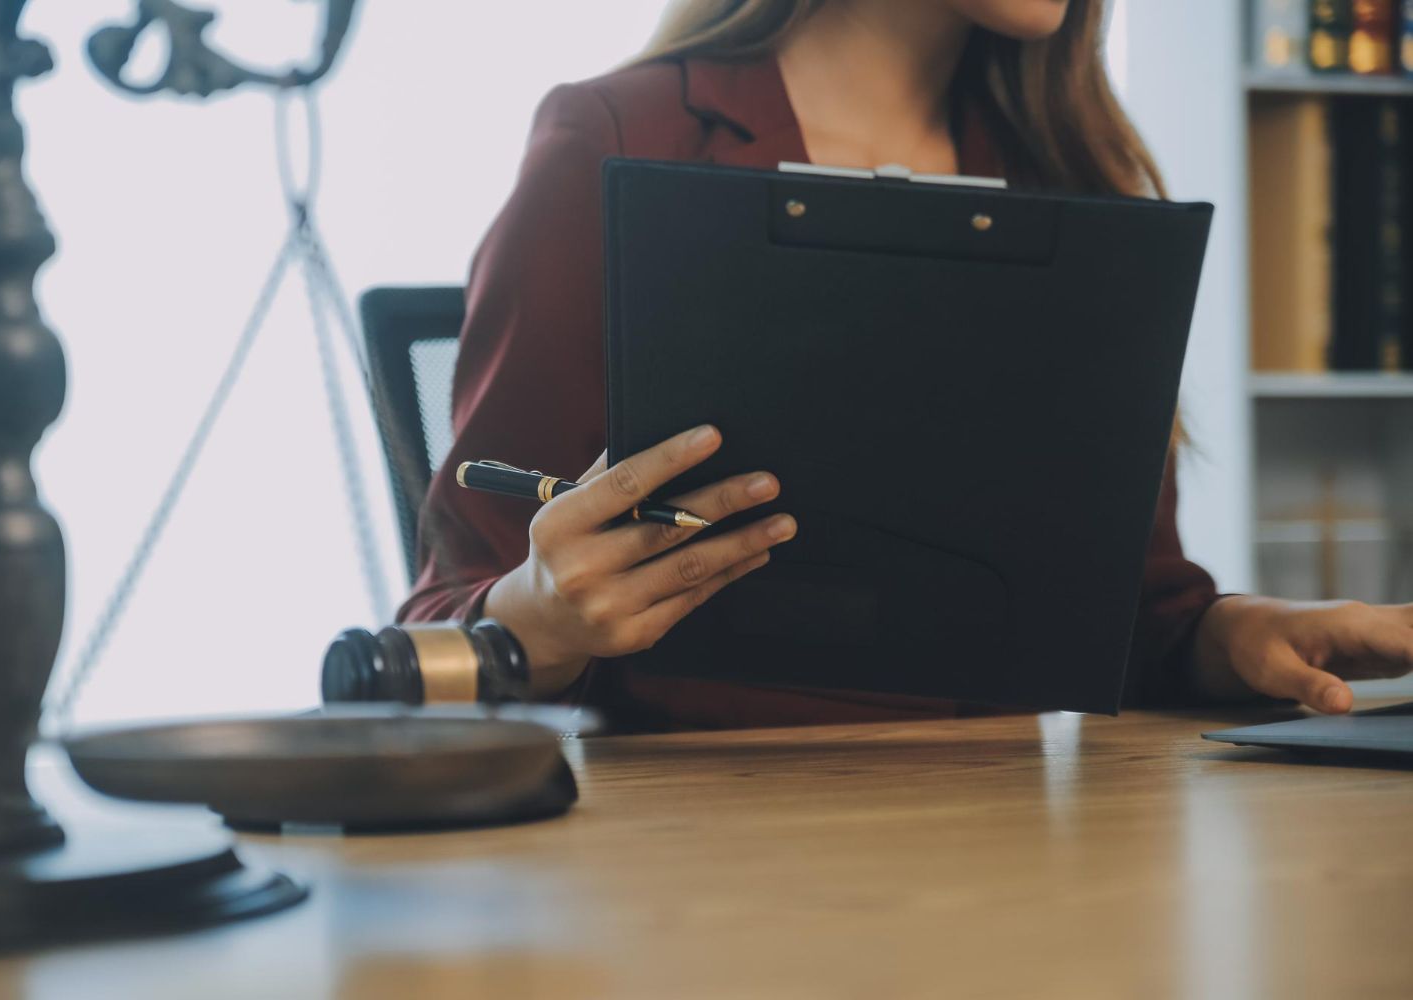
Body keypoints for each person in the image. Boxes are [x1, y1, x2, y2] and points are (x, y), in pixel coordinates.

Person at [400, 0, 1413, 730]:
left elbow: (1130, 622)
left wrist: (1238, 633)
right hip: (693, 868)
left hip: (1016, 855)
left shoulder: (1071, 175)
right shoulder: (618, 137)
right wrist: (541, 613)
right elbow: (441, 625)